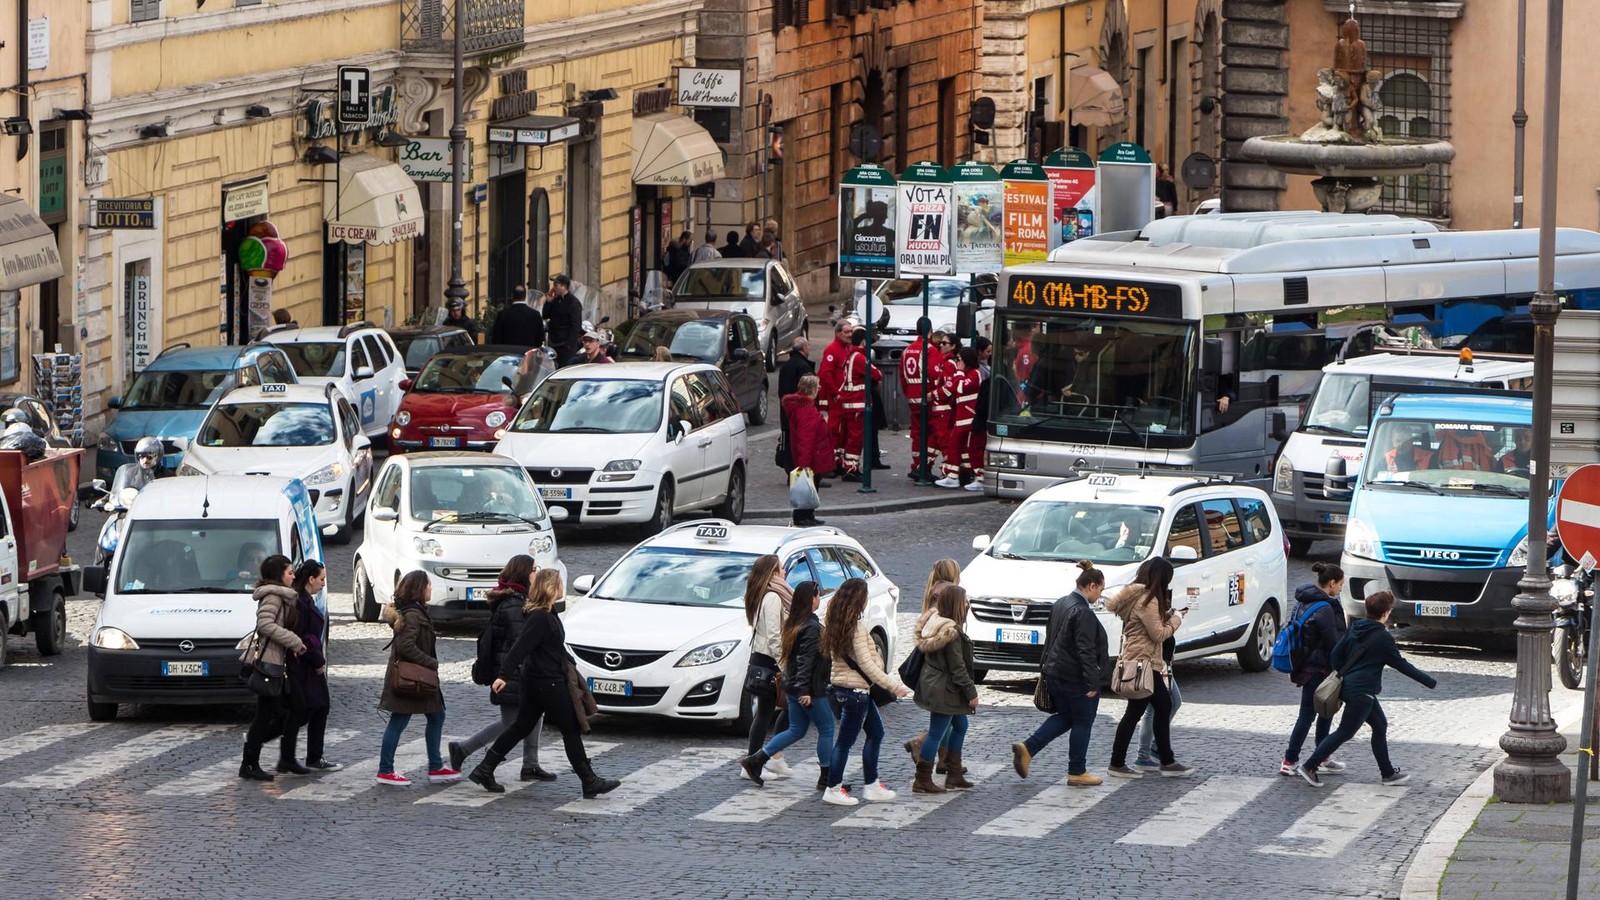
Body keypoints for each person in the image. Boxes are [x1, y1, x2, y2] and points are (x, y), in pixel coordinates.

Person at [469, 569, 622, 798]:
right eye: (559, 582)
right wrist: (503, 675)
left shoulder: (548, 612)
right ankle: (589, 781)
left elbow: (552, 647)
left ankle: (485, 768)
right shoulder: (540, 616)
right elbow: (520, 647)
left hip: (539, 680)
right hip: (546, 682)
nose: (563, 586)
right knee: (570, 728)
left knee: (521, 726)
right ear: (551, 587)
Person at [1298, 590, 1437, 788]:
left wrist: (1343, 671)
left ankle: (1388, 773)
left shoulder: (1355, 627)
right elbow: (1401, 664)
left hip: (1351, 687)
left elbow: (1336, 654)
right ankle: (1310, 766)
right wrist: (1429, 681)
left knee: (1380, 725)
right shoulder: (1383, 638)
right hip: (1362, 692)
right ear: (1386, 613)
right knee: (1344, 732)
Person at [448, 556, 554, 783]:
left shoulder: (517, 599)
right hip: (512, 673)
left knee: (534, 715)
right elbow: (521, 643)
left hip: (514, 670)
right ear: (525, 573)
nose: (537, 573)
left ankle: (531, 764)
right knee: (511, 723)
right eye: (534, 569)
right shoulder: (516, 604)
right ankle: (463, 750)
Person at [1013, 560, 1109, 787]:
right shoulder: (1082, 611)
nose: (1100, 596)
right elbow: (1085, 650)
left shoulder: (1061, 603)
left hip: (1054, 672)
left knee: (1066, 717)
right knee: (1083, 721)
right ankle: (1077, 771)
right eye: (1101, 590)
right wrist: (1093, 683)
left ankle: (1028, 748)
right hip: (1073, 677)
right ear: (1092, 586)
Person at [822, 578, 910, 806]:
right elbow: (867, 665)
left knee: (876, 733)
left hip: (846, 690)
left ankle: (871, 784)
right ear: (858, 599)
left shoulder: (836, 624)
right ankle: (833, 788)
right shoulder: (856, 629)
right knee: (844, 743)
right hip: (856, 694)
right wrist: (893, 686)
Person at [1105, 557, 1195, 778]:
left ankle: (1162, 760)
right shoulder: (1148, 599)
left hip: (1140, 660)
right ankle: (1153, 761)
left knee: (1152, 708)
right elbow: (1158, 634)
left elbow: (1144, 626)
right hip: (1144, 662)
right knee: (1153, 708)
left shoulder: (1137, 598)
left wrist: (1165, 615)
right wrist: (1176, 619)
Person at [741, 581, 834, 790]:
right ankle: (827, 777)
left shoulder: (794, 623)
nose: (820, 599)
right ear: (812, 598)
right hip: (808, 688)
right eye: (818, 595)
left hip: (791, 685)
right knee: (827, 728)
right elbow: (805, 660)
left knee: (796, 730)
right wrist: (804, 690)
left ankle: (755, 760)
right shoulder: (811, 628)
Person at [377, 571, 460, 786]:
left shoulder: (416, 612)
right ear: (419, 589)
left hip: (419, 678)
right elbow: (405, 646)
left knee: (436, 716)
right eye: (429, 585)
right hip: (413, 677)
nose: (431, 588)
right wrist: (430, 662)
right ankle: (386, 770)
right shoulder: (413, 615)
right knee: (399, 721)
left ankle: (435, 766)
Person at [237, 554, 305, 782]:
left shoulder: (281, 596)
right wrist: (294, 641)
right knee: (268, 715)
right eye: (290, 572)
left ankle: (262, 758)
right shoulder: (274, 597)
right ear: (279, 575)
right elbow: (265, 625)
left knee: (276, 713)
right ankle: (250, 762)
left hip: (277, 662)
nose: (293, 576)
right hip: (270, 663)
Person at [1279, 562, 1350, 777]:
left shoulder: (1302, 602)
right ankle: (1290, 760)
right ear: (1331, 583)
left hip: (1305, 666)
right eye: (1341, 584)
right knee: (1310, 715)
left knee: (1324, 712)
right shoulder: (1325, 608)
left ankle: (1322, 756)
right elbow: (1333, 643)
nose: (1341, 589)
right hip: (1319, 669)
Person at [911, 583, 979, 794]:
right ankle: (922, 779)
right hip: (945, 690)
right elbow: (957, 668)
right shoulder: (951, 632)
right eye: (965, 601)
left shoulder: (936, 624)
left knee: (960, 726)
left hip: (937, 685)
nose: (967, 604)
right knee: (935, 734)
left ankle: (954, 774)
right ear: (957, 605)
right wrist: (971, 692)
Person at [902, 558, 963, 773]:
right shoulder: (950, 595)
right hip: (943, 673)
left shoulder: (934, 591)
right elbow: (949, 640)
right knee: (945, 722)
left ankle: (946, 761)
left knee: (954, 721)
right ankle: (927, 764)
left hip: (936, 670)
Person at [279, 560, 340, 774]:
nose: (323, 583)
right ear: (311, 579)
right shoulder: (301, 603)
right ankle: (299, 756)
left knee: (313, 709)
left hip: (306, 664)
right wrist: (318, 661)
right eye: (321, 579)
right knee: (306, 710)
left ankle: (308, 756)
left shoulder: (304, 600)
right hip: (304, 665)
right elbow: (302, 637)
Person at [739, 555, 795, 780]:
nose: (784, 572)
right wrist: (784, 665)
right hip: (771, 662)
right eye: (781, 568)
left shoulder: (767, 594)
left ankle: (772, 757)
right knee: (770, 712)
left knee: (777, 710)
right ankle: (755, 762)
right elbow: (773, 636)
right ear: (772, 573)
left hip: (766, 660)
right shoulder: (772, 597)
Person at [784, 375, 836, 525]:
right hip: (812, 457)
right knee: (808, 487)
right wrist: (804, 464)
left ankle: (808, 515)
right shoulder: (806, 409)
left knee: (811, 486)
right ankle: (803, 516)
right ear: (811, 389)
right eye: (818, 386)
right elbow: (806, 438)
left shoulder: (803, 406)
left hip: (813, 455)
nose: (820, 388)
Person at [837, 328, 881, 482]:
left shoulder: (850, 356)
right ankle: (850, 469)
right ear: (863, 342)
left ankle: (848, 466)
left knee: (850, 437)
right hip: (857, 403)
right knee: (856, 438)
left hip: (850, 403)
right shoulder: (860, 358)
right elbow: (876, 374)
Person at [935, 347, 981, 489]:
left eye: (959, 359)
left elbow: (959, 388)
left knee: (972, 449)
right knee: (955, 446)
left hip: (969, 418)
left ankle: (979, 477)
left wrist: (959, 372)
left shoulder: (974, 374)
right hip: (961, 418)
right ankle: (954, 475)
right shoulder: (966, 373)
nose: (957, 362)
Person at [901, 328, 942, 480]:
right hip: (927, 398)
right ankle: (923, 466)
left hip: (912, 398)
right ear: (930, 331)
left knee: (917, 434)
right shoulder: (930, 350)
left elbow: (902, 376)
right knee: (933, 432)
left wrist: (908, 394)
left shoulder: (906, 350)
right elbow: (934, 374)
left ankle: (916, 464)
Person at [543, 275, 585, 365]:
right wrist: (548, 302)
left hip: (565, 345)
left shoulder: (573, 303)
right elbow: (545, 315)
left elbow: (576, 326)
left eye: (556, 285)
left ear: (564, 286)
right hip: (553, 342)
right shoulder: (556, 299)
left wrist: (569, 345)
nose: (553, 287)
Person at [490, 285, 546, 351]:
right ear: (525, 297)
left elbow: (496, 338)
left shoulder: (503, 314)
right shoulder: (535, 314)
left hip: (508, 354)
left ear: (512, 296)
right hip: (528, 355)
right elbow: (540, 338)